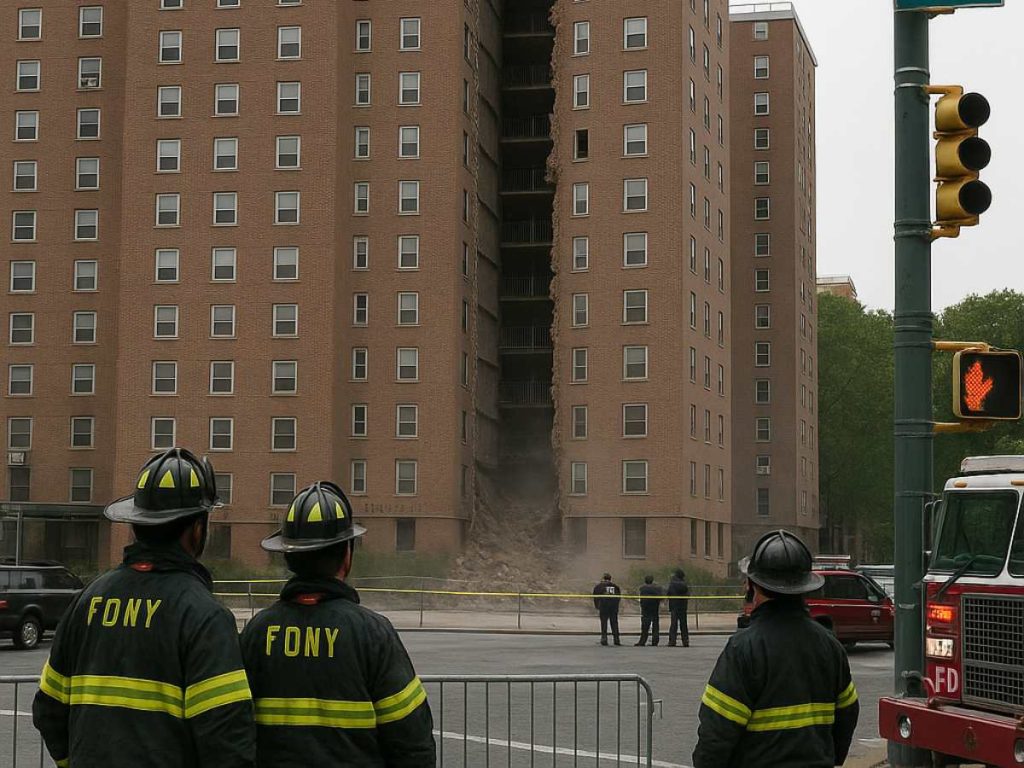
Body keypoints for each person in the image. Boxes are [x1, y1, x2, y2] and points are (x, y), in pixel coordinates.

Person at [33, 448, 256, 768]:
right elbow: (226, 740)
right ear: (197, 528)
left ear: (136, 523)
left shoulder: (88, 601)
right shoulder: (204, 615)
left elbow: (48, 709)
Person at [240, 481, 435, 767]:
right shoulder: (372, 634)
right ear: (347, 554)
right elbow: (412, 741)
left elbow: (232, 733)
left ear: (289, 557)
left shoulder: (256, 632)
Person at [692, 530, 859, 768]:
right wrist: (828, 758)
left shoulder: (743, 649)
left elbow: (716, 733)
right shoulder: (830, 645)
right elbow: (848, 714)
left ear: (752, 585)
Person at [592, 573, 622, 646]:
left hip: (603, 606)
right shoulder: (615, 586)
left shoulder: (599, 586)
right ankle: (616, 639)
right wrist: (616, 605)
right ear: (610, 579)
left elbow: (595, 597)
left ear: (603, 578)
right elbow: (619, 597)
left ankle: (604, 639)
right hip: (613, 607)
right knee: (614, 623)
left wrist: (597, 606)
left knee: (604, 623)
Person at [635, 575, 664, 646]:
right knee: (655, 625)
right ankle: (655, 641)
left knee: (645, 626)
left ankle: (642, 641)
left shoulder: (642, 588)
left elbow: (640, 598)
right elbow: (661, 597)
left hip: (645, 609)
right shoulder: (658, 588)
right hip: (655, 608)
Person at [667, 568, 690, 647]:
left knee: (673, 624)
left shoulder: (672, 583)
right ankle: (685, 641)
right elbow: (688, 595)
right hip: (683, 606)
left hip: (674, 606)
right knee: (684, 624)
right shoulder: (685, 584)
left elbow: (668, 593)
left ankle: (672, 641)